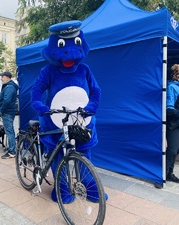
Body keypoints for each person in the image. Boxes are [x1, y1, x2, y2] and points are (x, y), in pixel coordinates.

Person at [31, 20, 108, 202]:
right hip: (55, 119)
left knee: (84, 154)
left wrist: (92, 106)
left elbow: (96, 90)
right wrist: (39, 106)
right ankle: (62, 188)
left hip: (82, 119)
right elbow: (36, 89)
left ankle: (90, 186)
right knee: (58, 156)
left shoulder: (84, 69)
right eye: (61, 45)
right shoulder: (48, 70)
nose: (69, 54)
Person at [165, 64, 179, 184]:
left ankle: (169, 173)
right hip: (174, 124)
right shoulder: (172, 87)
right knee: (172, 150)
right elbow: (169, 108)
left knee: (177, 150)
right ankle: (163, 175)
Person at [0, 71, 19, 159]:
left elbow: (6, 100)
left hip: (7, 112)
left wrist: (2, 110)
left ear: (7, 77)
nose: (1, 79)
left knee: (9, 132)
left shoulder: (9, 87)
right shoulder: (9, 86)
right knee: (9, 131)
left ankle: (12, 151)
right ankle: (11, 148)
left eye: (2, 77)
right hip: (9, 112)